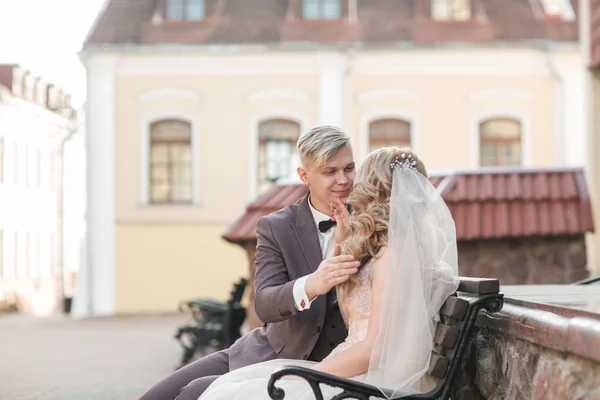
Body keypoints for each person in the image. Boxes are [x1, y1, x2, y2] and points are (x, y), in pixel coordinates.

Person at [198, 146, 460, 400]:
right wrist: (341, 244)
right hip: (348, 369)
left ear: (371, 189)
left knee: (229, 393)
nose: (348, 183)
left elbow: (374, 348)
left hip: (369, 380)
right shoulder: (386, 248)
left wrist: (305, 376)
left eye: (353, 173)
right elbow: (354, 320)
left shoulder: (393, 253)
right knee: (210, 389)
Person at [139, 126, 359, 400]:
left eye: (349, 168)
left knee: (195, 393)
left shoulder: (370, 225)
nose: (344, 180)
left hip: (322, 368)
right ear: (304, 176)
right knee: (155, 397)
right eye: (330, 172)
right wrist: (312, 284)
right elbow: (265, 304)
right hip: (266, 350)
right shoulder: (276, 226)